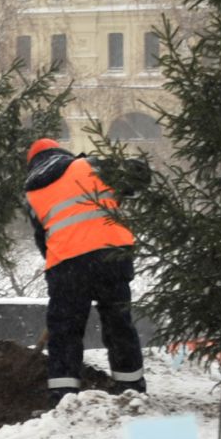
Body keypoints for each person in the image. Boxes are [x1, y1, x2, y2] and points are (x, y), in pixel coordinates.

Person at [24, 137, 146, 402]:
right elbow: (140, 175)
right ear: (62, 153)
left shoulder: (32, 194)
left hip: (66, 267)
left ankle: (63, 394)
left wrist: (65, 269)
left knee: (65, 332)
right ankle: (130, 388)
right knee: (118, 324)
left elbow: (43, 242)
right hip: (112, 258)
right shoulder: (91, 165)